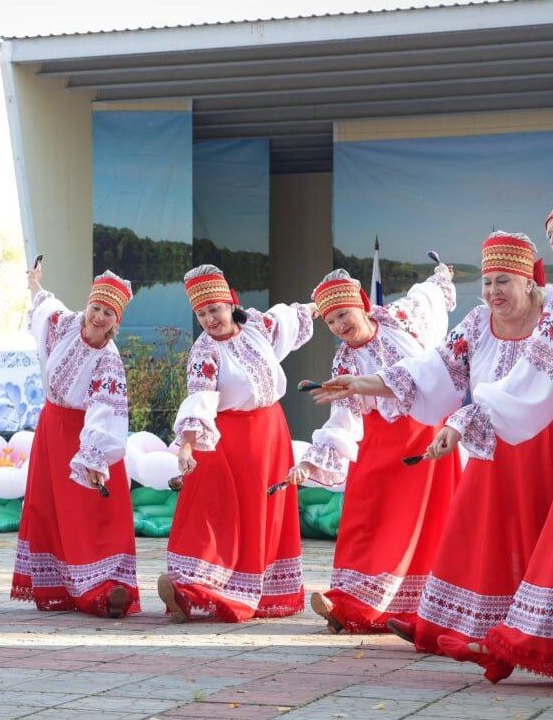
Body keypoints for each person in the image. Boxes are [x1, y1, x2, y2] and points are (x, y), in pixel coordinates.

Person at [312, 231, 553, 666]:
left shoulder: (550, 315)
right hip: (492, 444)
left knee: (536, 541)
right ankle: (451, 626)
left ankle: (525, 637)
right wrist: (362, 382)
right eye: (486, 282)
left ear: (529, 281)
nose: (493, 292)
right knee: (477, 532)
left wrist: (464, 421)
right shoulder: (479, 323)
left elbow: (531, 383)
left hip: (543, 444)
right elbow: (437, 367)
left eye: (503, 281)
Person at [288, 262, 460, 634]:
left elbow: (426, 298)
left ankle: (417, 608)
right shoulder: (344, 359)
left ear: (362, 305)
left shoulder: (399, 319)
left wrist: (441, 275)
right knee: (363, 516)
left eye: (343, 315)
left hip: (424, 433)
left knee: (420, 524)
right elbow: (342, 418)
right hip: (379, 443)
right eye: (330, 321)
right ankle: (349, 602)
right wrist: (312, 463)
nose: (338, 326)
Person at [156, 265, 314, 623]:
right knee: (217, 510)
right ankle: (192, 589)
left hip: (270, 434)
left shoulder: (256, 327)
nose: (210, 318)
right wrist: (186, 446)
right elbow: (200, 399)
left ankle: (258, 590)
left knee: (263, 512)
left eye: (215, 308)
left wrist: (315, 308)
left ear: (231, 303)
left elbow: (287, 317)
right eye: (201, 313)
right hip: (227, 438)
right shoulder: (203, 353)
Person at [11, 260, 139, 618]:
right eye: (96, 308)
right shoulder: (65, 324)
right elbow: (44, 304)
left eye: (108, 313)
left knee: (91, 508)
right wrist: (34, 283)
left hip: (85, 434)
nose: (98, 317)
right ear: (87, 307)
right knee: (51, 507)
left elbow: (103, 409)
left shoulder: (108, 360)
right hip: (52, 427)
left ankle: (108, 586)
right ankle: (61, 584)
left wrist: (94, 457)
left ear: (116, 321)